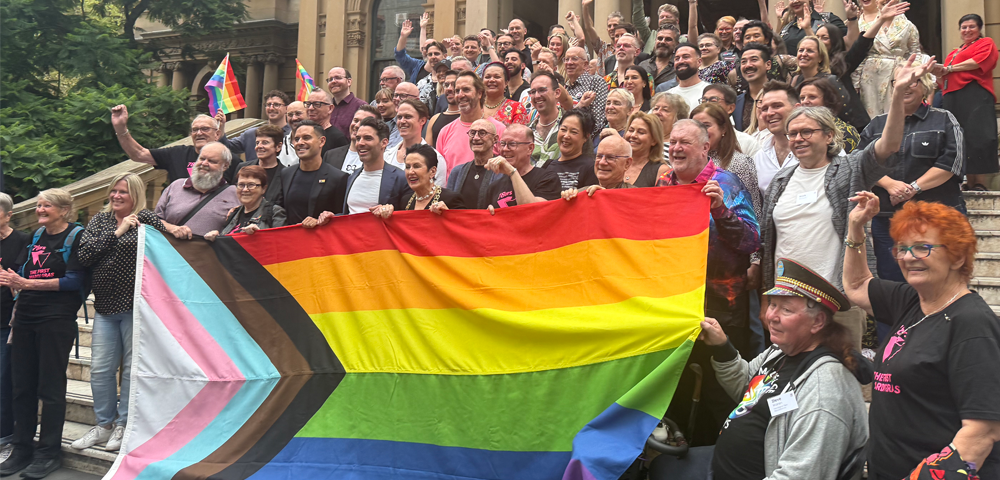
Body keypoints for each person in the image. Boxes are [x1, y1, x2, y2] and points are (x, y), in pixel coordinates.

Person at [760, 55, 935, 351]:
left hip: (836, 300)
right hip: (787, 301)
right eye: (793, 134)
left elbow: (888, 146)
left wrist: (896, 95)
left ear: (829, 135)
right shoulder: (780, 181)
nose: (798, 139)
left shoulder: (849, 170)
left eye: (807, 132)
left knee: (839, 378)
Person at [844, 195, 1000, 480]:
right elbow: (856, 285)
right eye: (902, 249)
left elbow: (982, 432)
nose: (907, 257)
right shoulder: (912, 301)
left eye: (922, 248)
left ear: (958, 256)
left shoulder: (972, 323)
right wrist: (856, 227)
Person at [703, 258, 870, 480]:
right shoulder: (780, 351)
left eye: (786, 309)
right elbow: (747, 388)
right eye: (772, 304)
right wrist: (723, 346)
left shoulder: (825, 391)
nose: (772, 316)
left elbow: (800, 475)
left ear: (818, 322)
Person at [657, 119, 761, 446]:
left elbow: (751, 241)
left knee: (720, 394)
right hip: (673, 306)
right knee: (679, 390)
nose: (676, 148)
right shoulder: (662, 182)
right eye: (672, 142)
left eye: (684, 142)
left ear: (705, 148)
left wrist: (721, 212)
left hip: (721, 307)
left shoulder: (726, 183)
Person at [68, 175, 166, 455]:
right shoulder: (100, 221)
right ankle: (104, 425)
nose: (116, 196)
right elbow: (84, 256)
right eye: (113, 190)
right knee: (100, 370)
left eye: (123, 191)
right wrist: (119, 231)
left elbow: (169, 241)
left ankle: (125, 424)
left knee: (132, 370)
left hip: (136, 307)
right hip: (105, 307)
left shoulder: (146, 217)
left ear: (135, 194)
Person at [0, 189, 85, 479]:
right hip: (25, 317)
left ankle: (48, 452)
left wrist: (28, 284)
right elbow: (21, 272)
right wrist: (11, 281)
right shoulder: (35, 237)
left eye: (46, 205)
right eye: (38, 205)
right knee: (21, 386)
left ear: (64, 209)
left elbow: (75, 280)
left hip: (56, 319)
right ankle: (21, 448)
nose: (40, 209)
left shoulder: (76, 236)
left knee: (50, 388)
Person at [861, 72, 965, 283]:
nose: (906, 86)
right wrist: (889, 184)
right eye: (899, 82)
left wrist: (914, 188)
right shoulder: (876, 125)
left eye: (912, 81)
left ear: (924, 86)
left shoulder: (944, 119)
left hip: (938, 216)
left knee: (944, 279)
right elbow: (860, 161)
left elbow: (952, 162)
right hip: (887, 219)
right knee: (892, 282)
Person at [933, 13, 999, 191]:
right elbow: (943, 80)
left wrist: (949, 68)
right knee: (960, 139)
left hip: (975, 94)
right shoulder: (954, 53)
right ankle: (968, 182)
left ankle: (980, 183)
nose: (967, 30)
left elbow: (979, 62)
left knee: (980, 137)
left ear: (979, 29)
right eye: (964, 27)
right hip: (953, 98)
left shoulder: (985, 44)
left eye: (972, 27)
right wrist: (937, 72)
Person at [110, 106, 237, 183]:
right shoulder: (177, 154)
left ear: (217, 134)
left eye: (205, 129)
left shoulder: (231, 161)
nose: (199, 133)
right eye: (194, 129)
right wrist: (121, 128)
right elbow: (138, 154)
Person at [692, 102, 763, 221]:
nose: (700, 132)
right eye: (695, 126)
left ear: (723, 129)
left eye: (706, 125)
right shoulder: (687, 163)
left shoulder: (740, 162)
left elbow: (754, 212)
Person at [852, 0, 922, 118]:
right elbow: (859, 54)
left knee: (897, 113)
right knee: (872, 115)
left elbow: (915, 53)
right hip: (871, 76)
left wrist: (914, 76)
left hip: (897, 74)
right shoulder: (864, 24)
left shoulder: (908, 26)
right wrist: (855, 82)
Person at [154, 142, 240, 238]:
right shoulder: (176, 186)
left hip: (209, 252)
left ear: (225, 166)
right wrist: (171, 228)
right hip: (170, 251)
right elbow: (154, 220)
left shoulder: (235, 193)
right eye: (202, 158)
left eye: (212, 161)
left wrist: (221, 236)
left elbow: (239, 228)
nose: (204, 163)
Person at [0, 193, 30, 462]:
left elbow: (27, 278)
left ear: (8, 215)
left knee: (4, 379)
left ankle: (6, 436)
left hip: (7, 320)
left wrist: (12, 281)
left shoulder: (22, 240)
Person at [436, 71, 507, 179]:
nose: (460, 95)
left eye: (466, 90)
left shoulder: (499, 129)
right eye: (457, 91)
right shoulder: (445, 132)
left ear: (480, 93)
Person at [789, 36, 866, 131]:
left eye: (810, 51)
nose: (804, 54)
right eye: (801, 50)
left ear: (820, 58)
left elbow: (845, 114)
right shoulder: (795, 79)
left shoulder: (830, 81)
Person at [281, 121, 350, 224]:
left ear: (321, 141)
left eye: (306, 138)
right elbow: (280, 209)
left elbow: (343, 216)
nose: (300, 142)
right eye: (296, 139)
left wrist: (320, 221)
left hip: (321, 237)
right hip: (291, 238)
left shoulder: (338, 178)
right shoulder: (286, 174)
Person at [373, 144, 466, 219]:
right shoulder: (405, 201)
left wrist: (448, 215)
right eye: (408, 167)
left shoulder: (451, 199)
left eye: (417, 166)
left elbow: (464, 230)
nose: (410, 172)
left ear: (432, 171)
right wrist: (386, 213)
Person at [343, 117, 411, 214]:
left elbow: (408, 217)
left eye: (368, 138)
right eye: (358, 138)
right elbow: (346, 215)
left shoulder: (401, 179)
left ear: (384, 143)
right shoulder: (352, 176)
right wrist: (330, 217)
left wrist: (392, 212)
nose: (360, 143)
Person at [486, 124, 562, 209]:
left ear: (530, 148)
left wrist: (512, 172)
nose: (505, 149)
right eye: (503, 144)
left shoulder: (548, 178)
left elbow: (531, 210)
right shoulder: (494, 186)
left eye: (512, 144)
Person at [204, 165, 286, 240]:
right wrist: (218, 237)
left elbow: (281, 243)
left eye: (251, 185)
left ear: (263, 189)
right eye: (241, 185)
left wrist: (259, 234)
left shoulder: (274, 212)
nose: (245, 189)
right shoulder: (233, 214)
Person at [220, 90, 294, 166]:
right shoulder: (251, 134)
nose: (271, 108)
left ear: (286, 108)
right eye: (268, 105)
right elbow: (226, 147)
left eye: (276, 105)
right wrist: (221, 127)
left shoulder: (293, 134)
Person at [384, 99, 446, 187]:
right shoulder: (386, 155)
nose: (402, 121)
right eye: (399, 117)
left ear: (422, 121)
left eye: (408, 117)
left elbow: (438, 194)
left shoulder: (436, 159)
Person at [752, 81, 801, 193]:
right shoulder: (759, 157)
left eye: (777, 106)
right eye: (764, 109)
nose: (769, 113)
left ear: (797, 108)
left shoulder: (820, 149)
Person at [448, 119, 504, 209]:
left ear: (495, 139)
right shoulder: (457, 172)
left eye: (482, 133)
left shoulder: (502, 172)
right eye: (472, 133)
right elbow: (449, 203)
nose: (476, 138)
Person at [560, 135, 637, 200]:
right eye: (599, 156)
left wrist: (606, 197)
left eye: (610, 157)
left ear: (627, 163)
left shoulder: (636, 197)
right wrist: (567, 201)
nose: (602, 162)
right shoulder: (581, 195)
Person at [797, 76, 860, 153]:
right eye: (802, 98)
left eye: (812, 97)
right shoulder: (796, 129)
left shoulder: (845, 132)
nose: (805, 102)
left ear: (827, 101)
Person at [540, 109, 598, 190]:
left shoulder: (590, 168)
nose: (566, 136)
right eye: (563, 129)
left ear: (586, 137)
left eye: (574, 132)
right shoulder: (547, 165)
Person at [233, 124, 288, 204]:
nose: (259, 146)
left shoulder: (286, 175)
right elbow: (234, 196)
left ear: (278, 147)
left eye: (265, 143)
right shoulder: (243, 168)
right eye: (257, 143)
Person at [702, 84, 761, 156]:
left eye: (713, 101)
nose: (707, 106)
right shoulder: (694, 140)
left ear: (730, 108)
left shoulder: (746, 143)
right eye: (704, 101)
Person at [563, 47, 609, 132]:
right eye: (566, 59)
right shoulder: (564, 88)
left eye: (574, 59)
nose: (569, 63)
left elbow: (598, 121)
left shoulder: (597, 82)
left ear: (585, 64)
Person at [324, 105, 380, 175]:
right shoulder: (330, 155)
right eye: (355, 120)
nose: (356, 125)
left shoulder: (379, 158)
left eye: (364, 123)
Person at [777, 0, 847, 56]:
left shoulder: (828, 19)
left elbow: (847, 43)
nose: (795, 1)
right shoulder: (786, 28)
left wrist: (852, 19)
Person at [527, 71, 566, 167]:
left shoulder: (572, 125)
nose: (537, 96)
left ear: (557, 93)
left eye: (542, 90)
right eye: (533, 92)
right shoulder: (527, 131)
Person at [733, 43, 773, 131]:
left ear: (768, 65)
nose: (748, 65)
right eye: (743, 62)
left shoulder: (783, 96)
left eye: (754, 60)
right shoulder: (735, 103)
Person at [622, 112, 670, 186]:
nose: (633, 135)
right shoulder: (616, 163)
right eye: (631, 130)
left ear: (654, 140)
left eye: (641, 132)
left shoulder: (661, 171)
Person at [395, 19, 445, 84]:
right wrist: (403, 37)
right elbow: (400, 56)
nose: (432, 56)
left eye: (436, 53)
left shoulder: (447, 67)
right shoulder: (416, 65)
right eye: (426, 49)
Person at [664, 44, 710, 112]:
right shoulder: (666, 96)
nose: (680, 61)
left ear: (699, 62)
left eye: (686, 57)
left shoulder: (710, 92)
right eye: (677, 59)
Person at [304, 88, 350, 156]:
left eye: (317, 104)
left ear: (330, 108)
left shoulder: (338, 138)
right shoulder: (302, 134)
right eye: (308, 104)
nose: (310, 108)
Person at [326, 67, 368, 136]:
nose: (333, 81)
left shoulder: (362, 107)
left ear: (349, 82)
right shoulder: (326, 107)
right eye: (330, 79)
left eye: (338, 78)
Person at [426, 70, 461, 148]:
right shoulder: (434, 119)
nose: (449, 88)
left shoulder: (470, 118)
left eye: (454, 84)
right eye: (446, 85)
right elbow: (428, 152)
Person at [639, 24, 680, 89]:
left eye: (668, 39)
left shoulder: (679, 67)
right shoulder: (643, 65)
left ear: (676, 44)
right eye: (660, 38)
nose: (663, 42)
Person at [650, 92, 689, 158]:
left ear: (678, 117)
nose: (658, 112)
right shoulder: (644, 139)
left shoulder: (678, 146)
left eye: (665, 110)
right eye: (656, 108)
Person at [281, 101, 306, 165]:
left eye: (298, 114)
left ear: (308, 114)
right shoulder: (280, 143)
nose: (294, 118)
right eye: (290, 115)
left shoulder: (315, 142)